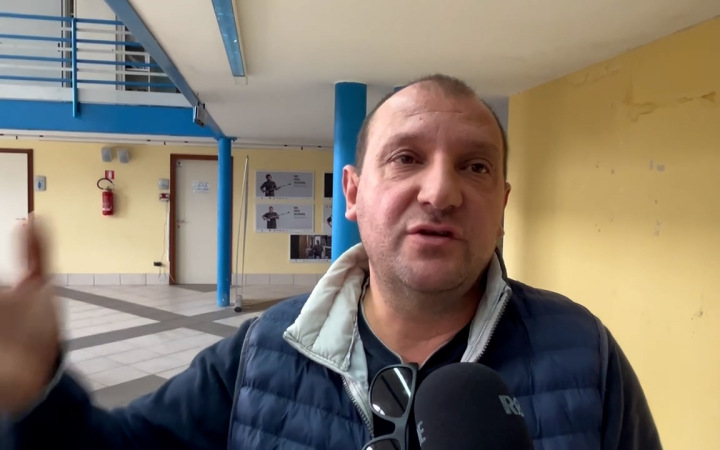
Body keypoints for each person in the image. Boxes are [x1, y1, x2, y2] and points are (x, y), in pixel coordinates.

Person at [0, 74, 662, 450]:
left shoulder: (586, 354)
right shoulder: (260, 352)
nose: (441, 191)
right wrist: (39, 396)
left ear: (503, 204)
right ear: (353, 192)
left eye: (476, 166)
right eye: (406, 158)